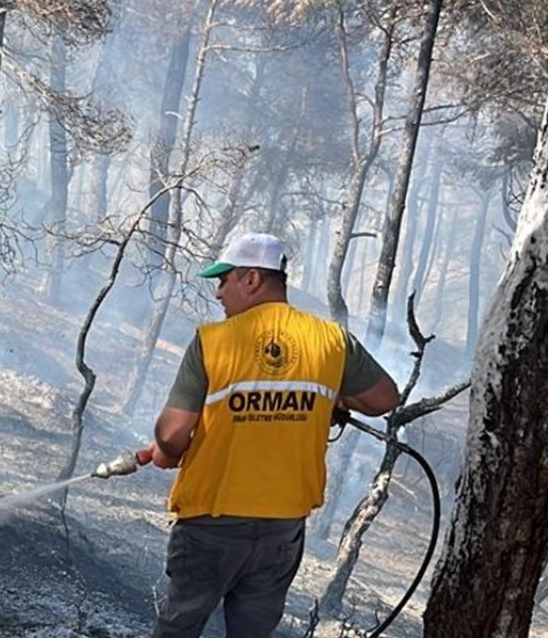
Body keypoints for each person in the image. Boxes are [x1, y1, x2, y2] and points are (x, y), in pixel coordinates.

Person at [134, 232, 399, 638]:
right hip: (282, 525)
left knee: (180, 627)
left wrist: (168, 452)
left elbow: (172, 434)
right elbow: (383, 398)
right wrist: (334, 400)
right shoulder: (331, 340)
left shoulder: (213, 342)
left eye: (225, 280)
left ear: (253, 279)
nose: (219, 293)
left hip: (212, 521)